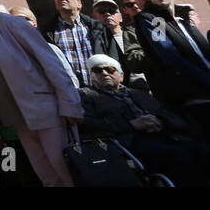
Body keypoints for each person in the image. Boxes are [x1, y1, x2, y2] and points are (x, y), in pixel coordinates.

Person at [78, 54, 210, 185]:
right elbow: (88, 126)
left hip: (164, 135)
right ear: (92, 76)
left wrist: (161, 122)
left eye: (110, 70)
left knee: (202, 150)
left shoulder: (139, 94)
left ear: (121, 76)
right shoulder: (86, 95)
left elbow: (172, 117)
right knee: (179, 156)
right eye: (98, 70)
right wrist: (131, 124)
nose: (105, 73)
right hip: (129, 143)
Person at [0, 8, 82, 187]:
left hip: (50, 111)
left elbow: (52, 65)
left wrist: (70, 104)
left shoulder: (13, 24)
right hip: (18, 118)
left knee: (70, 171)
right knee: (49, 179)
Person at [131, 0, 210, 135]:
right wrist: (206, 79)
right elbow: (168, 54)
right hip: (193, 94)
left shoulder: (185, 17)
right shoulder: (153, 19)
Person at [42, 0, 119, 84]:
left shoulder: (98, 27)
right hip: (71, 91)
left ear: (79, 5)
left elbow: (113, 56)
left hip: (101, 87)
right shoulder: (48, 32)